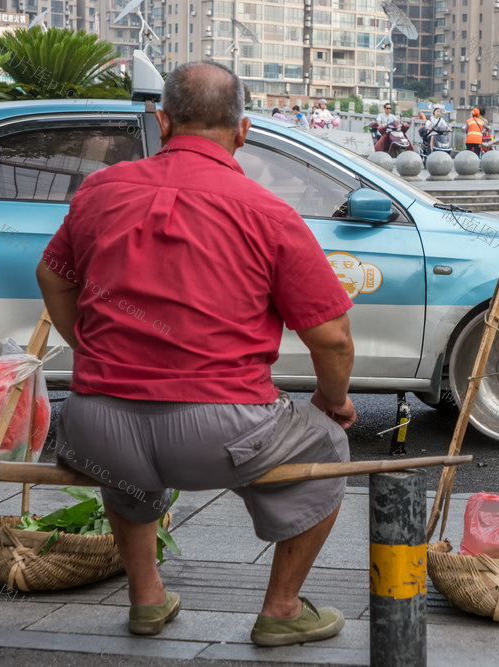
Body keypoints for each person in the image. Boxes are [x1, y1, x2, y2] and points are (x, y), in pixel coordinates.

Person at [36, 62, 356, 647]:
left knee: (124, 463)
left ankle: (147, 600)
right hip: (221, 433)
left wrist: (86, 346)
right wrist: (332, 402)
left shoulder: (100, 191)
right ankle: (282, 609)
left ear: (162, 122)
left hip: (93, 425)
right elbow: (331, 338)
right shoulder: (269, 212)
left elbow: (52, 276)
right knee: (328, 444)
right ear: (244, 131)